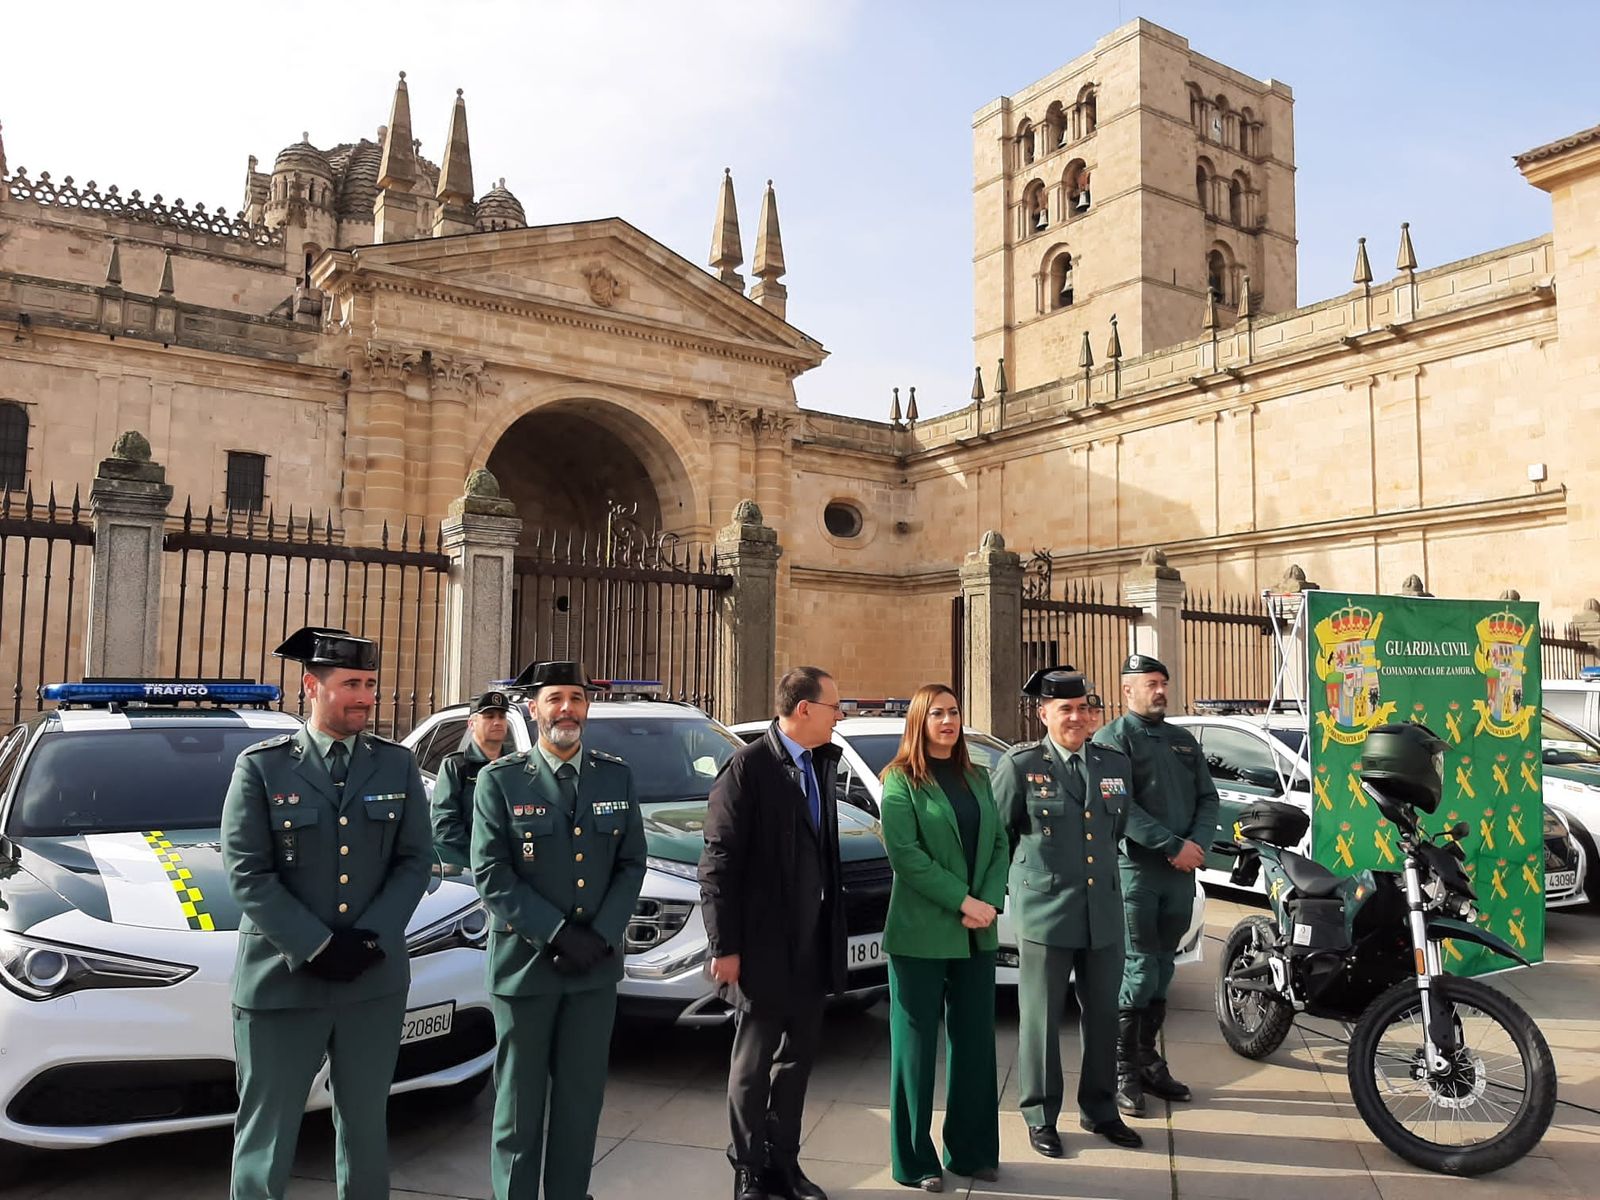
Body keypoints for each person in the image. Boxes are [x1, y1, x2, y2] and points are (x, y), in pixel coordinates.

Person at [220, 626, 432, 1200]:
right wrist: (315, 945)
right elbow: (247, 873)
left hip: (372, 979)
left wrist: (370, 938)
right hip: (282, 980)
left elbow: (416, 861)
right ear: (312, 686)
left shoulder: (395, 765)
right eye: (350, 685)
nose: (365, 697)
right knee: (267, 1131)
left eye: (370, 684)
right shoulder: (262, 768)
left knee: (365, 1126)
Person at [471, 660, 647, 1200]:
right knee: (519, 1106)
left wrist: (602, 932)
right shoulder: (499, 780)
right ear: (533, 708)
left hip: (593, 968)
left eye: (576, 697)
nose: (566, 708)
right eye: (555, 699)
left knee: (580, 1100)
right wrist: (555, 933)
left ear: (587, 707)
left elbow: (630, 861)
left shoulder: (614, 774)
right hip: (526, 968)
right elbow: (491, 872)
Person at [699, 666, 846, 1200]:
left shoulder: (820, 764)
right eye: (834, 706)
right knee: (753, 1065)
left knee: (797, 1060)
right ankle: (748, 1169)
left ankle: (785, 1164)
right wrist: (725, 947)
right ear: (803, 709)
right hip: (760, 948)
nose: (840, 715)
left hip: (811, 944)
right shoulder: (748, 768)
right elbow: (718, 864)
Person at [994, 666, 1143, 1155]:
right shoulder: (1020, 766)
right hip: (1046, 910)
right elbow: (1000, 836)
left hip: (1101, 910)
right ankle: (1040, 1114)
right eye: (1065, 710)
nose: (1076, 718)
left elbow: (1112, 830)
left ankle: (1101, 1110)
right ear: (1044, 713)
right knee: (1040, 1020)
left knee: (1102, 1013)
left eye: (1083, 709)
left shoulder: (1113, 764)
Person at [878, 684, 1008, 1192]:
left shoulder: (977, 777)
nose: (949, 721)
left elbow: (998, 841)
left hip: (978, 933)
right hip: (921, 935)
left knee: (976, 1044)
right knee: (914, 1050)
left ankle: (971, 1151)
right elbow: (906, 856)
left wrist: (990, 901)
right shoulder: (899, 781)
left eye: (954, 712)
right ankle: (914, 1160)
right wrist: (964, 900)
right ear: (919, 721)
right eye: (938, 713)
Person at [1094, 654, 1220, 1118]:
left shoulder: (1182, 739)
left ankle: (1148, 1060)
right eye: (1151, 684)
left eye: (1164, 682)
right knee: (1139, 968)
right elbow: (1118, 804)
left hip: (1180, 875)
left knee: (1165, 968)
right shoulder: (1113, 739)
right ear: (1128, 691)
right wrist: (1170, 844)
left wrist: (1196, 845)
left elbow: (1208, 797)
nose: (1160, 691)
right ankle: (1123, 1069)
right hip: (1138, 874)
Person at [431, 689, 512, 870]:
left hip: (512, 870)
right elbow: (444, 826)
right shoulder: (456, 766)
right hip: (469, 870)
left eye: (501, 716)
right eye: (489, 717)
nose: (497, 722)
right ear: (471, 724)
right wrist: (482, 858)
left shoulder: (516, 765)